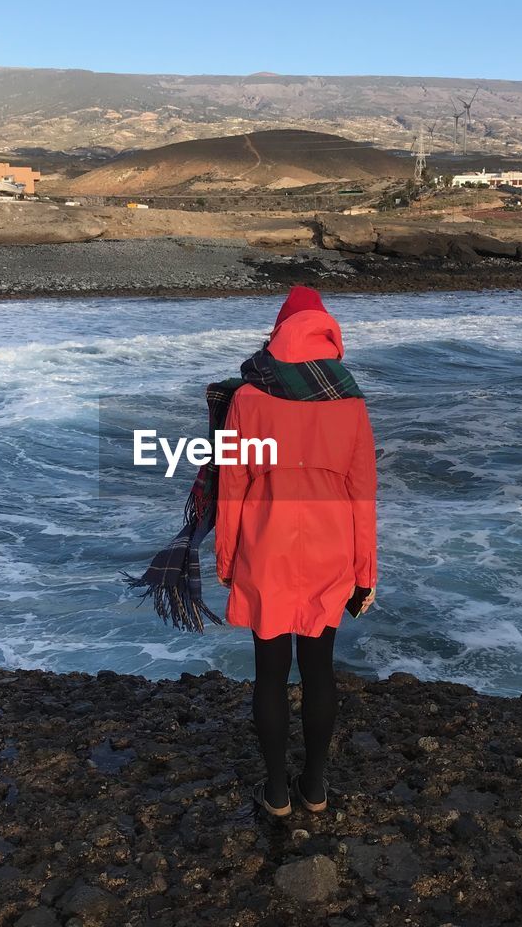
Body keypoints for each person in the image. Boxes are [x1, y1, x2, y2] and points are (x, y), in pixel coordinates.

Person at [215, 285, 378, 818]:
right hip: (331, 546)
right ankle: (314, 786)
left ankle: (277, 792)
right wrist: (365, 571)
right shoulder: (349, 399)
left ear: (279, 332)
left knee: (269, 673)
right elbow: (362, 492)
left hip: (266, 544)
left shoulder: (247, 396)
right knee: (319, 671)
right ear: (327, 332)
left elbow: (231, 485)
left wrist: (225, 558)